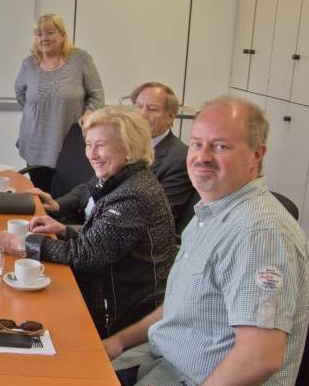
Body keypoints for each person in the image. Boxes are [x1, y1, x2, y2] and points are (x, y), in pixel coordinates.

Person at [103, 96, 308, 386]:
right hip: (160, 362)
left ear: (256, 155)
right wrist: (119, 342)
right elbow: (183, 303)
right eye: (197, 144)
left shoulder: (258, 233)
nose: (203, 156)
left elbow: (260, 357)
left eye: (221, 146)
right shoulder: (210, 212)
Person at [0, 106, 175, 338]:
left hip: (118, 318)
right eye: (88, 144)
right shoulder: (123, 179)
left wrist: (19, 243)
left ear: (129, 148)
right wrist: (64, 231)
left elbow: (87, 255)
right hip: (101, 295)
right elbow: (104, 242)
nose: (91, 154)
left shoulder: (133, 193)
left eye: (100, 145)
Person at [33, 82, 195, 233]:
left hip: (108, 236)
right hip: (82, 223)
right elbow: (91, 186)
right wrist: (57, 205)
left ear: (170, 117)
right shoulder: (124, 141)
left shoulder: (179, 158)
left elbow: (154, 222)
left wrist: (68, 231)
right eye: (139, 106)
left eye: (152, 109)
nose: (143, 114)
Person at [14, 13, 104, 192]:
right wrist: (40, 112)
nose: (43, 38)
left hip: (69, 142)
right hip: (36, 143)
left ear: (62, 35)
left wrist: (89, 112)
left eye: (49, 32)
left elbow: (97, 94)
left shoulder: (80, 59)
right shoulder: (29, 64)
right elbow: (20, 94)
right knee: (41, 195)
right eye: (39, 34)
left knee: (65, 198)